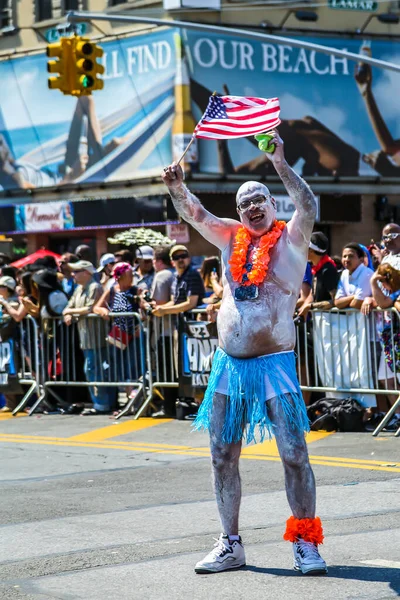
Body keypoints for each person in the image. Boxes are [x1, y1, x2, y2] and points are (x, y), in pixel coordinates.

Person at [162, 130, 327, 575]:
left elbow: (308, 203)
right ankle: (231, 544)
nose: (252, 207)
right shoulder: (229, 239)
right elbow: (194, 213)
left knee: (294, 453)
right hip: (228, 367)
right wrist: (177, 186)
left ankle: (306, 542)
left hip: (275, 364)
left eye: (260, 200)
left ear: (273, 205)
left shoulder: (293, 240)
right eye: (244, 203)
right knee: (221, 455)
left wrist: (279, 163)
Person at [63, 261, 115, 415]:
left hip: (97, 338)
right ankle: (101, 402)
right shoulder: (78, 289)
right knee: (92, 370)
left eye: (77, 271)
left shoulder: (95, 287)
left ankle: (103, 404)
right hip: (85, 338)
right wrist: (68, 312)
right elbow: (67, 307)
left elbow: (90, 308)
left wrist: (71, 313)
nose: (73, 274)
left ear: (87, 272)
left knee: (95, 370)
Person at [94, 263, 143, 403]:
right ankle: (123, 398)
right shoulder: (112, 290)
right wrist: (103, 311)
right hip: (118, 335)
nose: (132, 278)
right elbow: (97, 307)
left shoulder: (135, 290)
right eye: (129, 275)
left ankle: (132, 399)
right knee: (118, 367)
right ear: (120, 277)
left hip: (133, 335)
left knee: (132, 367)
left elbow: (143, 309)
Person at [152, 245, 205, 318]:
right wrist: (158, 308)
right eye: (176, 258)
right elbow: (174, 301)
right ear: (172, 262)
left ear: (189, 258)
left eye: (183, 256)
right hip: (181, 323)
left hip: (194, 322)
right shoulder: (175, 277)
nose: (180, 259)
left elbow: (191, 303)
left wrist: (164, 310)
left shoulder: (192, 274)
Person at [298, 231, 339, 320]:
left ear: (311, 250)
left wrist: (310, 306)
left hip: (333, 323)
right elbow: (313, 294)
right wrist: (303, 308)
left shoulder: (328, 270)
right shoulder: (317, 268)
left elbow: (336, 301)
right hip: (321, 321)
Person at [334, 243, 373, 310]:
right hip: (349, 319)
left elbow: (356, 303)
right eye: (344, 256)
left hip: (366, 319)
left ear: (361, 259)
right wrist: (354, 296)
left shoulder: (367, 273)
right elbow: (337, 302)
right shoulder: (344, 273)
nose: (346, 259)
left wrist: (345, 301)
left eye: (351, 256)